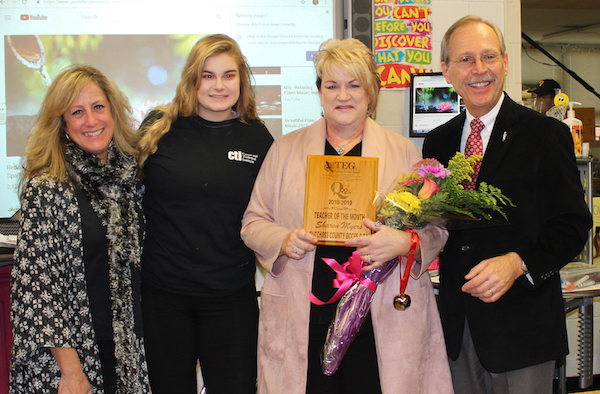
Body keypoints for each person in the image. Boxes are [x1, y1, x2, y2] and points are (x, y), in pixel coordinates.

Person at [241, 38, 453, 394]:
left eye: (354, 85)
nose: (343, 95)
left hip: (380, 313)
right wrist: (283, 239)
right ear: (319, 92)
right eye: (332, 85)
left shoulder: (402, 151)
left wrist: (402, 242)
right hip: (306, 308)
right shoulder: (284, 150)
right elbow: (253, 222)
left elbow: (437, 230)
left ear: (371, 93)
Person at [423, 15, 592, 393]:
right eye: (466, 59)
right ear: (446, 71)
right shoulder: (437, 142)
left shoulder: (546, 134)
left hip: (522, 329)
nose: (479, 69)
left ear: (505, 62)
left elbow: (572, 225)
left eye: (489, 57)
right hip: (457, 326)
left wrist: (518, 263)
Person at [137, 34, 273, 394]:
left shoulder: (257, 138)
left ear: (241, 80)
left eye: (228, 75)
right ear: (192, 79)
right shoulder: (158, 128)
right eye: (207, 75)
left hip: (230, 298)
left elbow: (274, 209)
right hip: (164, 296)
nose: (218, 85)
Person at [10, 64, 149, 393]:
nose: (91, 121)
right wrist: (71, 371)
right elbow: (37, 289)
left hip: (133, 354)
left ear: (113, 110)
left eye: (98, 107)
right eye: (77, 112)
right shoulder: (47, 188)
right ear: (62, 123)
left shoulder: (134, 179)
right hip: (73, 360)